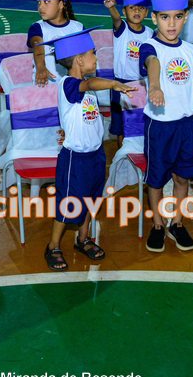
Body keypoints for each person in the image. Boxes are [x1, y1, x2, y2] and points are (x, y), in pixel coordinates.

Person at [39, 27, 136, 271]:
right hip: (75, 159)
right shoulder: (68, 84)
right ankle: (53, 246)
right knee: (69, 203)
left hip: (95, 156)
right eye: (93, 53)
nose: (96, 57)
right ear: (80, 60)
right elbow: (89, 83)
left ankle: (83, 240)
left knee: (91, 201)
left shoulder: (86, 88)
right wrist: (113, 83)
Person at [138, 0, 193, 253]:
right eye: (165, 17)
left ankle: (177, 223)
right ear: (154, 18)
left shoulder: (192, 50)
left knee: (183, 177)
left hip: (188, 124)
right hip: (160, 125)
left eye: (178, 17)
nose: (171, 23)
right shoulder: (149, 47)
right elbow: (152, 63)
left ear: (186, 17)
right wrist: (155, 86)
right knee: (156, 178)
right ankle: (157, 224)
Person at [103, 0, 152, 144]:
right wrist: (112, 8)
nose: (136, 11)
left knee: (141, 120)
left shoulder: (150, 33)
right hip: (121, 83)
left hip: (142, 84)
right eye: (132, 7)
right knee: (121, 125)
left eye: (141, 8)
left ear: (146, 12)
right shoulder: (122, 29)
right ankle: (122, 154)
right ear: (124, 11)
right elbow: (116, 19)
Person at [23, 0, 83, 86]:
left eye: (47, 2)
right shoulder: (37, 27)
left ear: (61, 4)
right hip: (45, 85)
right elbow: (37, 45)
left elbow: (86, 55)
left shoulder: (78, 27)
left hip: (72, 85)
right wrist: (41, 67)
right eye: (38, 3)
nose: (41, 7)